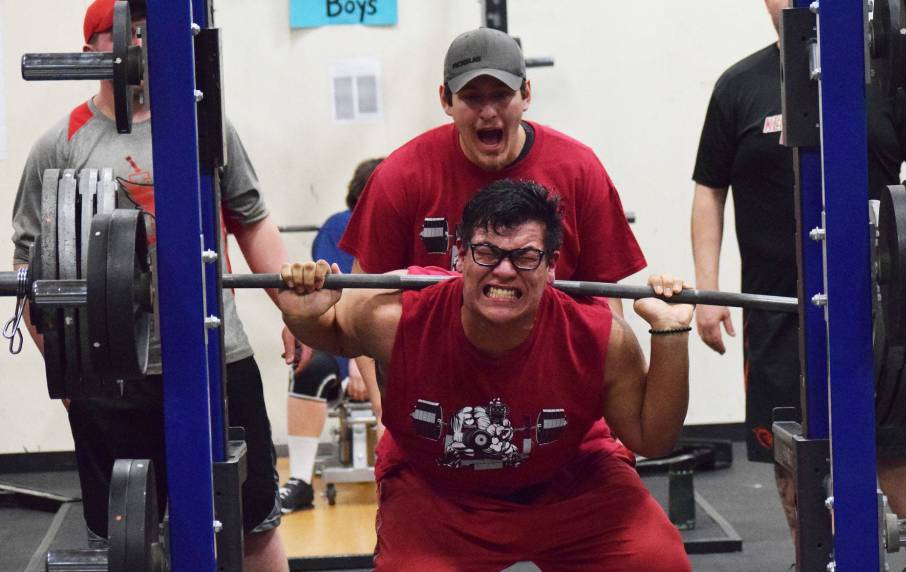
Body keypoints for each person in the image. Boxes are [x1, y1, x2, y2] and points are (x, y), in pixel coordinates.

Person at [278, 180, 692, 570]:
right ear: (460, 256)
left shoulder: (599, 338)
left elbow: (651, 438)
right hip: (439, 494)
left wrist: (670, 334)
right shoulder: (399, 317)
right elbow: (332, 330)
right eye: (488, 252)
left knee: (656, 560)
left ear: (551, 266)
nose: (505, 271)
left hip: (570, 484)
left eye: (526, 256)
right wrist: (302, 316)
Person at [10, 1, 291, 568]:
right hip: (111, 375)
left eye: (146, 32)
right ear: (90, 49)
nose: (136, 47)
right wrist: (62, 363)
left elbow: (252, 220)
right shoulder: (60, 144)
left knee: (251, 521)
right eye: (121, 35)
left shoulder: (204, 123)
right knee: (121, 541)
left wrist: (294, 308)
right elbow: (32, 269)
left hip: (216, 357)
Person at [690, 1, 906, 570]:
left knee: (895, 440)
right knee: (795, 451)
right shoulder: (739, 86)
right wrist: (706, 294)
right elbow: (709, 190)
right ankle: (814, 557)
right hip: (781, 309)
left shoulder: (883, 78)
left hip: (878, 301)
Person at [333, 26, 646, 424]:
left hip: (552, 391)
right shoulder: (401, 177)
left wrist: (603, 417)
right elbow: (361, 303)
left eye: (501, 95)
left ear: (526, 95)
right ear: (445, 100)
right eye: (472, 97)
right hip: (441, 392)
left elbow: (604, 304)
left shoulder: (578, 170)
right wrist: (386, 411)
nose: (488, 112)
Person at [279, 157, 383, 513]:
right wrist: (355, 359)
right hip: (346, 341)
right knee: (308, 368)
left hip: (393, 341)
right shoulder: (337, 229)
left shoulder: (406, 227)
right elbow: (335, 298)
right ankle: (301, 481)